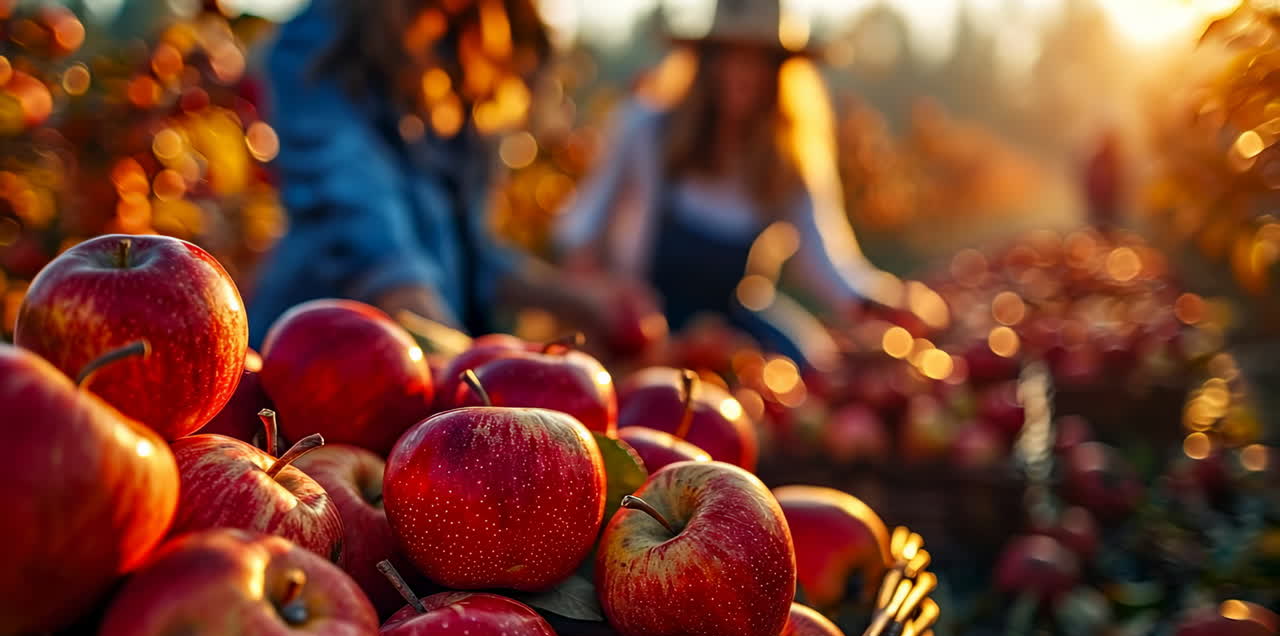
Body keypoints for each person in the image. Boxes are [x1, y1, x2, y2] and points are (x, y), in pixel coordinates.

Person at [556, 0, 944, 368]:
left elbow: (825, 259)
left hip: (730, 323)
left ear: (778, 73)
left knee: (808, 362)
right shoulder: (645, 129)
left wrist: (883, 303)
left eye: (760, 60)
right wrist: (603, 297)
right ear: (706, 62)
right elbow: (581, 228)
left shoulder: (786, 158)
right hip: (644, 322)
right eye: (731, 56)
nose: (743, 72)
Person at [247, 0, 641, 347]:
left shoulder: (459, 53)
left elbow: (466, 252)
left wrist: (579, 301)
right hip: (325, 359)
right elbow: (357, 222)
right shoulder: (324, 40)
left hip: (420, 364)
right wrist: (454, 357)